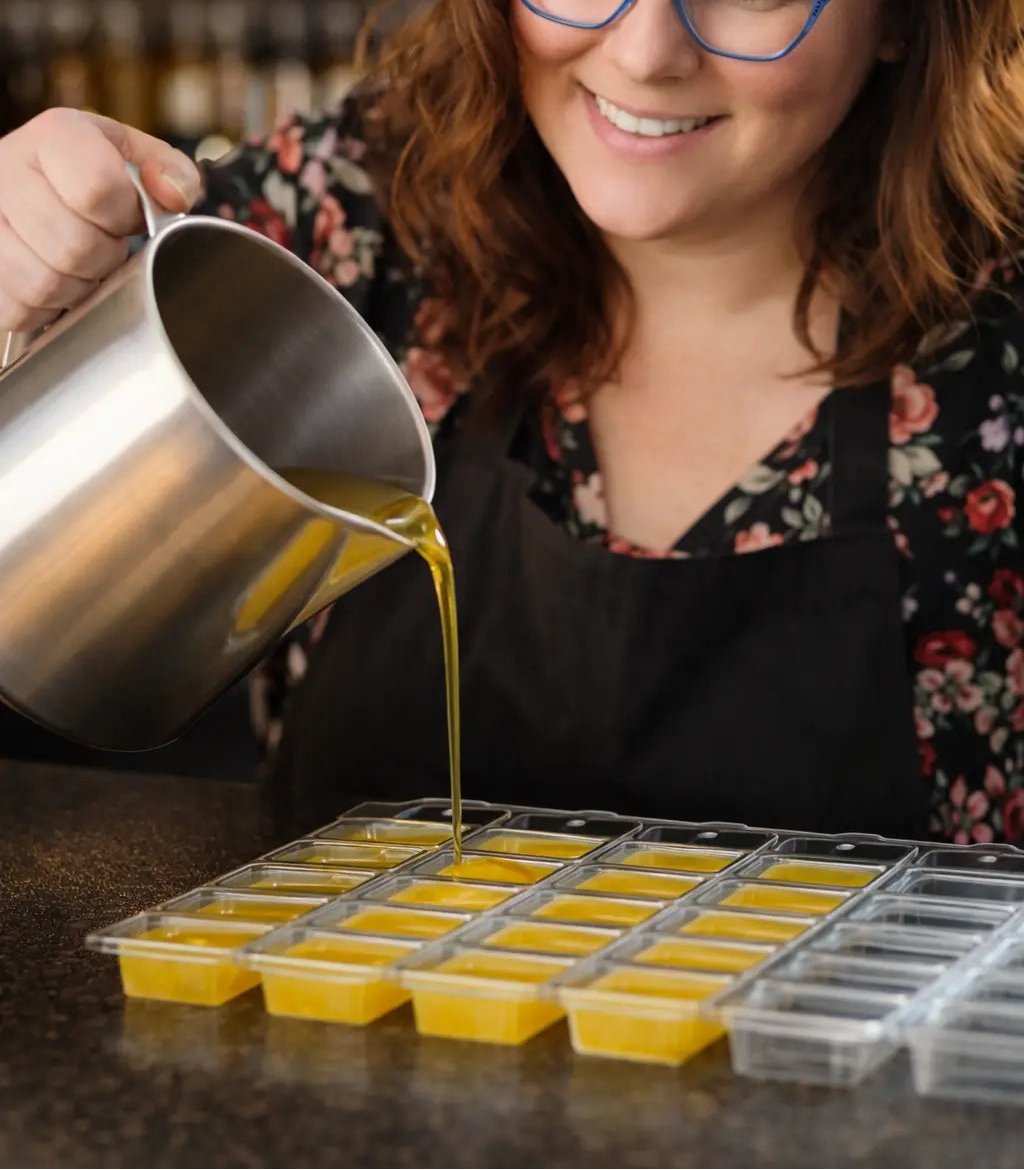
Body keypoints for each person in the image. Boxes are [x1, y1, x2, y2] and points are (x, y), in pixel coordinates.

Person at [0, 0, 1022, 844]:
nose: (645, 51)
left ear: (902, 21)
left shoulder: (996, 375)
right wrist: (26, 292)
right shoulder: (351, 222)